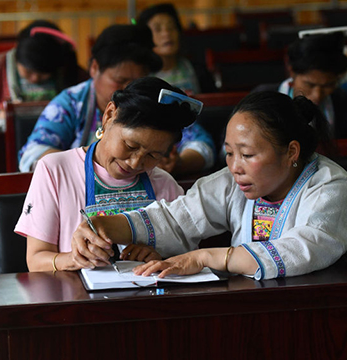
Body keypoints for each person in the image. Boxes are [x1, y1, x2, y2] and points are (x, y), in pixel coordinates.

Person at [70, 91, 347, 280]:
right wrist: (104, 226)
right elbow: (178, 217)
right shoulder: (234, 183)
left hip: (331, 314)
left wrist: (205, 257)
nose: (234, 166)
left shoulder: (331, 188)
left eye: (248, 154)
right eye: (229, 153)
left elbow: (303, 249)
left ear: (291, 151)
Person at [15, 77, 200, 272]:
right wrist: (74, 258)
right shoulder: (55, 170)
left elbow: (188, 258)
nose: (135, 162)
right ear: (109, 115)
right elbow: (36, 260)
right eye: (130, 146)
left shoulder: (165, 185)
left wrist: (159, 257)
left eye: (153, 155)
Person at [19, 23, 216, 176]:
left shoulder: (156, 100)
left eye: (137, 81)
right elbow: (34, 153)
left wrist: (179, 164)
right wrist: (96, 164)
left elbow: (202, 145)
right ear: (95, 68)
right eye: (120, 80)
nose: (129, 89)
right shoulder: (71, 103)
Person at [0, 20, 84, 127]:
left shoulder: (66, 67)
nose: (35, 79)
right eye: (28, 72)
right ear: (16, 59)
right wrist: (1, 115)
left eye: (43, 75)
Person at [276, 32, 347, 139]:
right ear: (292, 72)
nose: (317, 95)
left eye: (328, 85)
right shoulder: (265, 100)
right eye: (310, 84)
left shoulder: (341, 100)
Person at [137, 3, 217, 95]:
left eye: (171, 27)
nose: (166, 33)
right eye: (157, 29)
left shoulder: (197, 70)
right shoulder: (140, 76)